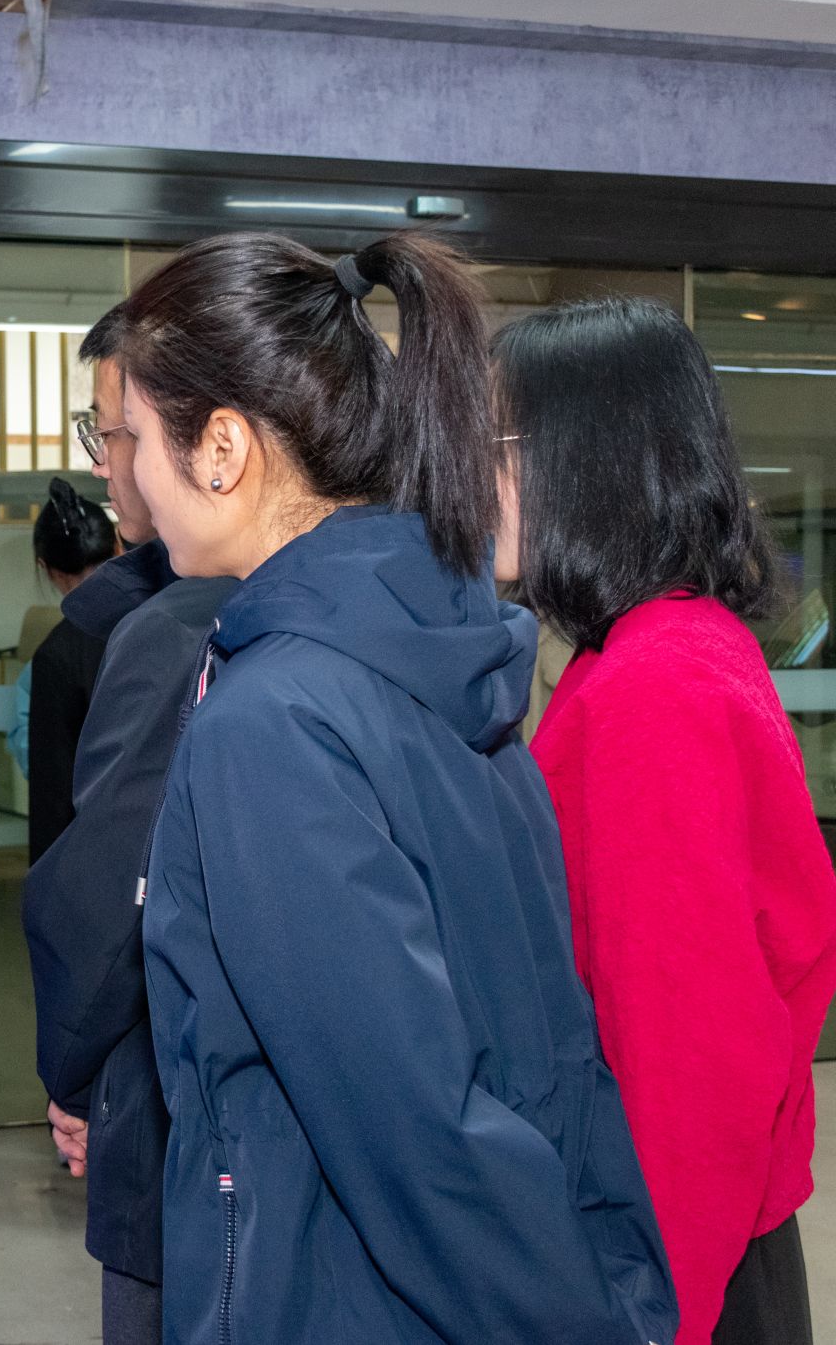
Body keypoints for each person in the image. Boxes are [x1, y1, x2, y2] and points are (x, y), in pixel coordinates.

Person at [123, 233, 678, 1344]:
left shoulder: (273, 719)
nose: (127, 472)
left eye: (131, 435)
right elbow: (553, 1051)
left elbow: (405, 1123)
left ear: (222, 448)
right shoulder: (444, 649)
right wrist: (608, 1285)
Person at [493, 296, 836, 1345]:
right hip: (703, 1244)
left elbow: (691, 1073)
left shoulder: (651, 689)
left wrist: (656, 1319)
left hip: (679, 1264)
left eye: (495, 447)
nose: (469, 479)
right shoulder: (669, 644)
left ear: (582, 462)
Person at [22, 303, 234, 1345]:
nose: (107, 464)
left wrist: (72, 1072)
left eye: (119, 432)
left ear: (215, 443)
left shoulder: (175, 631)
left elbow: (110, 901)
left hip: (177, 1113)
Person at [22, 476, 119, 863]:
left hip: (95, 856)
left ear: (46, 569)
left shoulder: (58, 655)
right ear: (117, 545)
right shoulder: (164, 623)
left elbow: (52, 796)